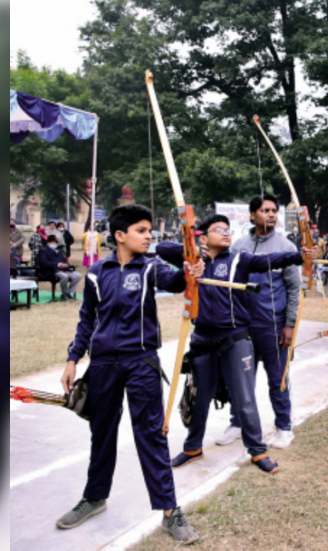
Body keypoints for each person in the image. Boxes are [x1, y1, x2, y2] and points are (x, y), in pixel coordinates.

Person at [58, 204, 203, 543]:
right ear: (119, 236)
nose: (148, 235)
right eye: (141, 230)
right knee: (102, 432)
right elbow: (86, 320)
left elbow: (177, 279)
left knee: (151, 435)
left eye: (149, 230)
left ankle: (170, 511)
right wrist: (72, 359)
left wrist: (190, 267)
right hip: (103, 365)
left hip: (141, 363)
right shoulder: (97, 273)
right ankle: (94, 497)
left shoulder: (151, 267)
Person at [156, 213, 314, 473]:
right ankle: (192, 446)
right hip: (203, 339)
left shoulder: (240, 259)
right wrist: (196, 252)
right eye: (219, 229)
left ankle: (257, 451)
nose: (227, 233)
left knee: (245, 398)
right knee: (199, 398)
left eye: (228, 229)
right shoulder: (193, 259)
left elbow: (272, 260)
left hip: (235, 338)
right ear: (204, 237)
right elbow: (162, 248)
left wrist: (302, 255)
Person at [229, 194, 303, 451]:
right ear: (252, 215)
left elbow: (295, 289)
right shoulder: (238, 246)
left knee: (277, 379)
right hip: (243, 327)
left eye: (274, 211)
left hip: (274, 327)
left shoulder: (287, 247)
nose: (271, 215)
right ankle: (237, 422)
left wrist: (290, 324)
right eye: (265, 210)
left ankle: (283, 427)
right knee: (240, 378)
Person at [37, 235, 82, 301]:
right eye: (52, 243)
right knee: (64, 276)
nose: (54, 244)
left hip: (64, 269)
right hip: (52, 270)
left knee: (78, 276)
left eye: (55, 243)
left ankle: (69, 292)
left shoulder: (59, 250)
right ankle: (64, 293)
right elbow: (44, 263)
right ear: (48, 242)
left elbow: (64, 260)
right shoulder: (43, 251)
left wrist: (66, 264)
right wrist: (58, 264)